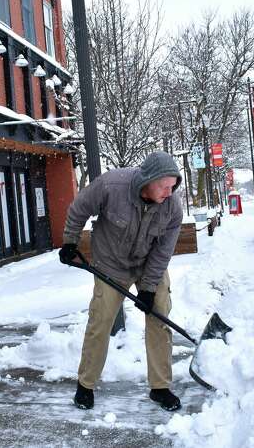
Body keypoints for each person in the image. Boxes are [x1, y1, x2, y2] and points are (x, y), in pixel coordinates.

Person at [59, 151, 184, 412]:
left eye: (172, 187)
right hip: (111, 264)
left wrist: (149, 288)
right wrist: (70, 241)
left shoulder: (172, 208)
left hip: (149, 264)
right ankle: (86, 384)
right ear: (148, 180)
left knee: (160, 316)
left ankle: (160, 387)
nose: (169, 192)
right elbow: (79, 208)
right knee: (100, 321)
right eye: (164, 186)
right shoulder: (111, 186)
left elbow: (163, 252)